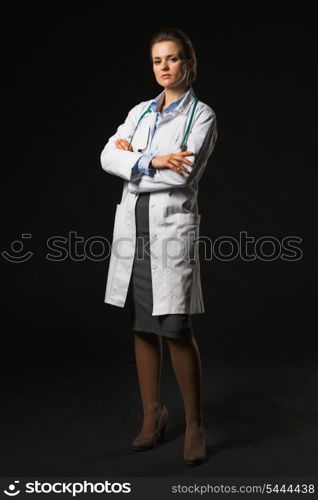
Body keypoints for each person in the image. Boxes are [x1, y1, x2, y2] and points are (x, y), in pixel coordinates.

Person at [100, 27, 217, 465]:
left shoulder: (201, 116)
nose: (164, 68)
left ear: (189, 62)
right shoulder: (139, 112)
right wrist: (151, 159)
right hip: (135, 227)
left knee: (176, 327)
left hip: (169, 231)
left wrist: (133, 162)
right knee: (142, 326)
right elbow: (106, 157)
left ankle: (194, 424)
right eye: (157, 61)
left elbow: (182, 176)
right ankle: (153, 415)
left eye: (172, 59)